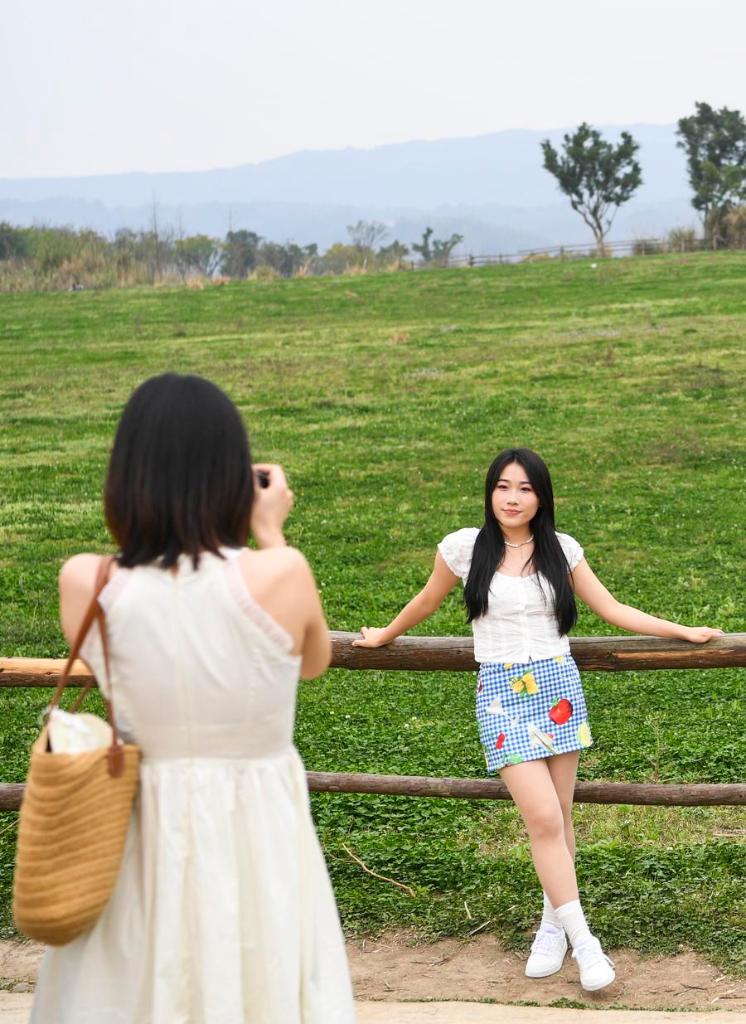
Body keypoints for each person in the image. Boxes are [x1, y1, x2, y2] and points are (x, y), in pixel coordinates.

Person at [31, 373, 355, 1024]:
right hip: (259, 827)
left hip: (139, 828)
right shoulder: (280, 573)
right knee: (264, 980)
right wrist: (270, 531)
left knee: (133, 987)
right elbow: (315, 661)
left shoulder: (85, 582)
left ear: (127, 475)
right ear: (234, 474)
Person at [354, 447, 722, 993]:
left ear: (541, 496)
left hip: (557, 686)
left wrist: (684, 632)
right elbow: (425, 602)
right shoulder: (463, 548)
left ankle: (551, 926)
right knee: (544, 819)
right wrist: (385, 635)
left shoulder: (561, 550)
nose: (512, 497)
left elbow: (611, 609)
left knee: (562, 816)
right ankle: (585, 941)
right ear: (490, 492)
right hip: (500, 691)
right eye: (503, 486)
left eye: (525, 488)